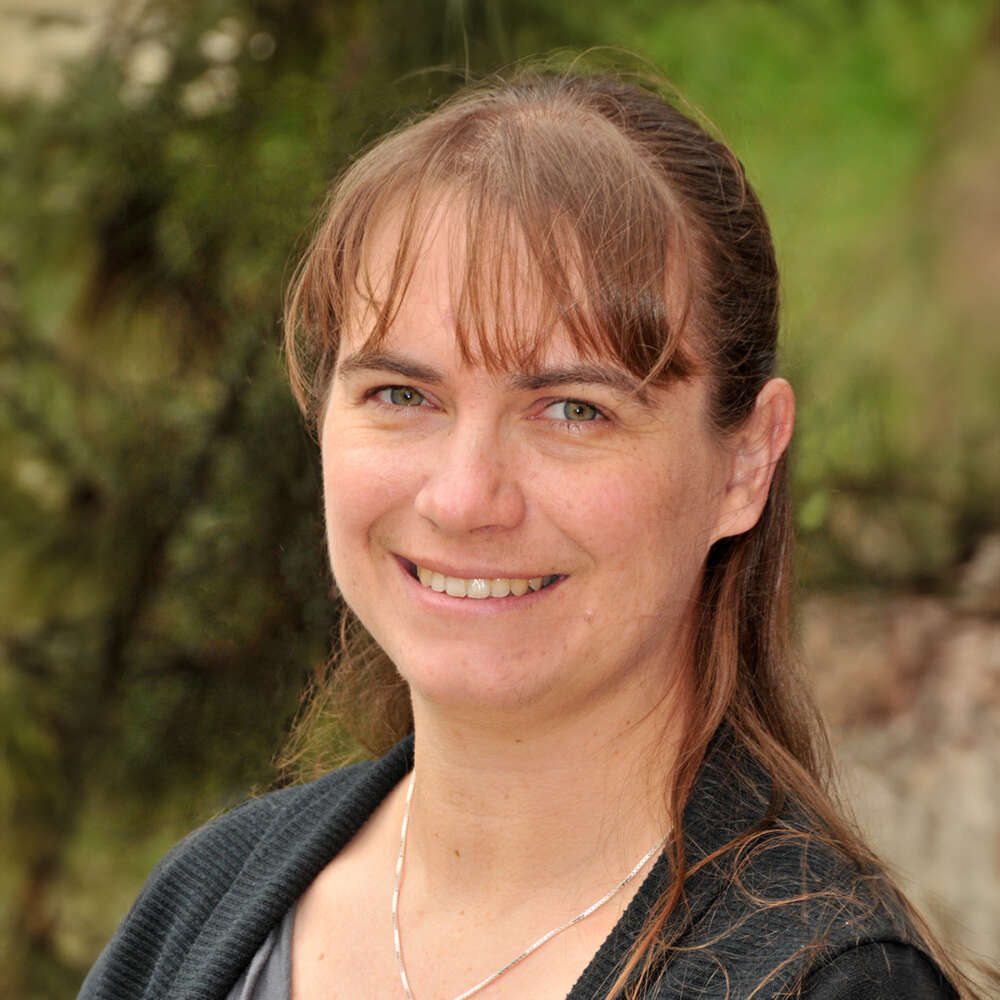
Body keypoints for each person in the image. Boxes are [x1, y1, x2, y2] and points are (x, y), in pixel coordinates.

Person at [79, 69, 975, 1000]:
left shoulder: (825, 982)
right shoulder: (204, 910)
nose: (465, 498)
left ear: (745, 464)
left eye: (573, 410)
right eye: (401, 395)